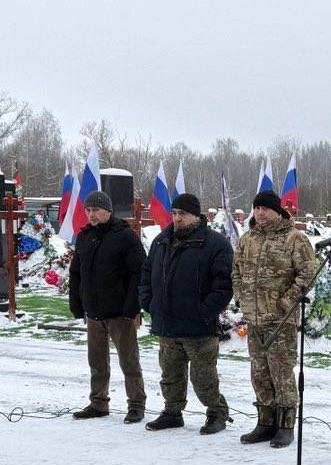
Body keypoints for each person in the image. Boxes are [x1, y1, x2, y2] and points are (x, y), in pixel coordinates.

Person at [139, 193, 234, 434]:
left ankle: (216, 412)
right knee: (170, 375)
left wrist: (204, 312)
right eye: (174, 213)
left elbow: (223, 286)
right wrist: (148, 302)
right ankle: (172, 412)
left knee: (203, 379)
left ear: (196, 215)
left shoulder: (214, 244)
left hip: (198, 327)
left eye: (183, 214)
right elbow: (147, 275)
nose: (177, 218)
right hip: (167, 324)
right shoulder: (161, 241)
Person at [232, 190, 316, 448]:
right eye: (256, 209)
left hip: (281, 320)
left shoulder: (294, 239)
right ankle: (265, 422)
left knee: (281, 372)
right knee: (259, 372)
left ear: (277, 211)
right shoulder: (248, 239)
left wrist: (286, 301)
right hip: (254, 318)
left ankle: (286, 425)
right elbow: (236, 270)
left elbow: (308, 273)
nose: (260, 213)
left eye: (265, 209)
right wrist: (241, 296)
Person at [68, 191, 147, 423]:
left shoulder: (124, 236)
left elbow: (139, 272)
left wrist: (131, 306)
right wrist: (77, 302)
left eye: (96, 210)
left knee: (129, 362)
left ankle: (136, 404)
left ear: (108, 211)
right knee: (97, 362)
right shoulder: (84, 236)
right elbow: (76, 272)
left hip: (119, 313)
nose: (91, 214)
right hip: (93, 312)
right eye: (88, 210)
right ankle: (98, 403)